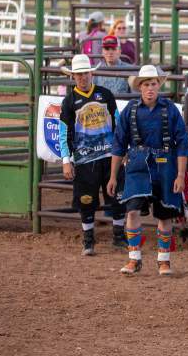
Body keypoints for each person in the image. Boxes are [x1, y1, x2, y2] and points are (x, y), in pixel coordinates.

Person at [107, 65, 188, 276]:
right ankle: (134, 258)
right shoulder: (130, 110)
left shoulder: (170, 109)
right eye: (146, 84)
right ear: (140, 87)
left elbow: (182, 142)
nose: (150, 88)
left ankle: (164, 260)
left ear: (158, 86)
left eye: (154, 84)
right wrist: (113, 176)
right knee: (132, 210)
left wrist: (180, 175)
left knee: (164, 215)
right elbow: (118, 143)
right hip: (137, 164)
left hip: (165, 165)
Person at [59, 54, 126, 256]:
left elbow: (118, 124)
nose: (82, 77)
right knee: (86, 199)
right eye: (78, 74)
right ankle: (88, 241)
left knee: (117, 196)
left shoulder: (105, 95)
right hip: (84, 158)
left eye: (85, 73)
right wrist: (65, 160)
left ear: (91, 73)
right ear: (73, 76)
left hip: (110, 156)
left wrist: (122, 150)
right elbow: (64, 132)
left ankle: (118, 236)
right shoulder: (69, 102)